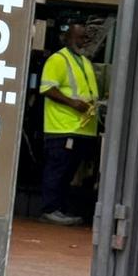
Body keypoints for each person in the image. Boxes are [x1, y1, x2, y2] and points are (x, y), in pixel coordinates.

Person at [39, 22, 100, 227]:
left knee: (68, 172)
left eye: (85, 38)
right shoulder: (59, 59)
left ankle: (60, 209)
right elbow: (47, 89)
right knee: (58, 169)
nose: (83, 41)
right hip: (62, 127)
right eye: (79, 37)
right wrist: (73, 103)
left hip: (80, 128)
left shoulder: (84, 61)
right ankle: (50, 209)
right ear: (67, 38)